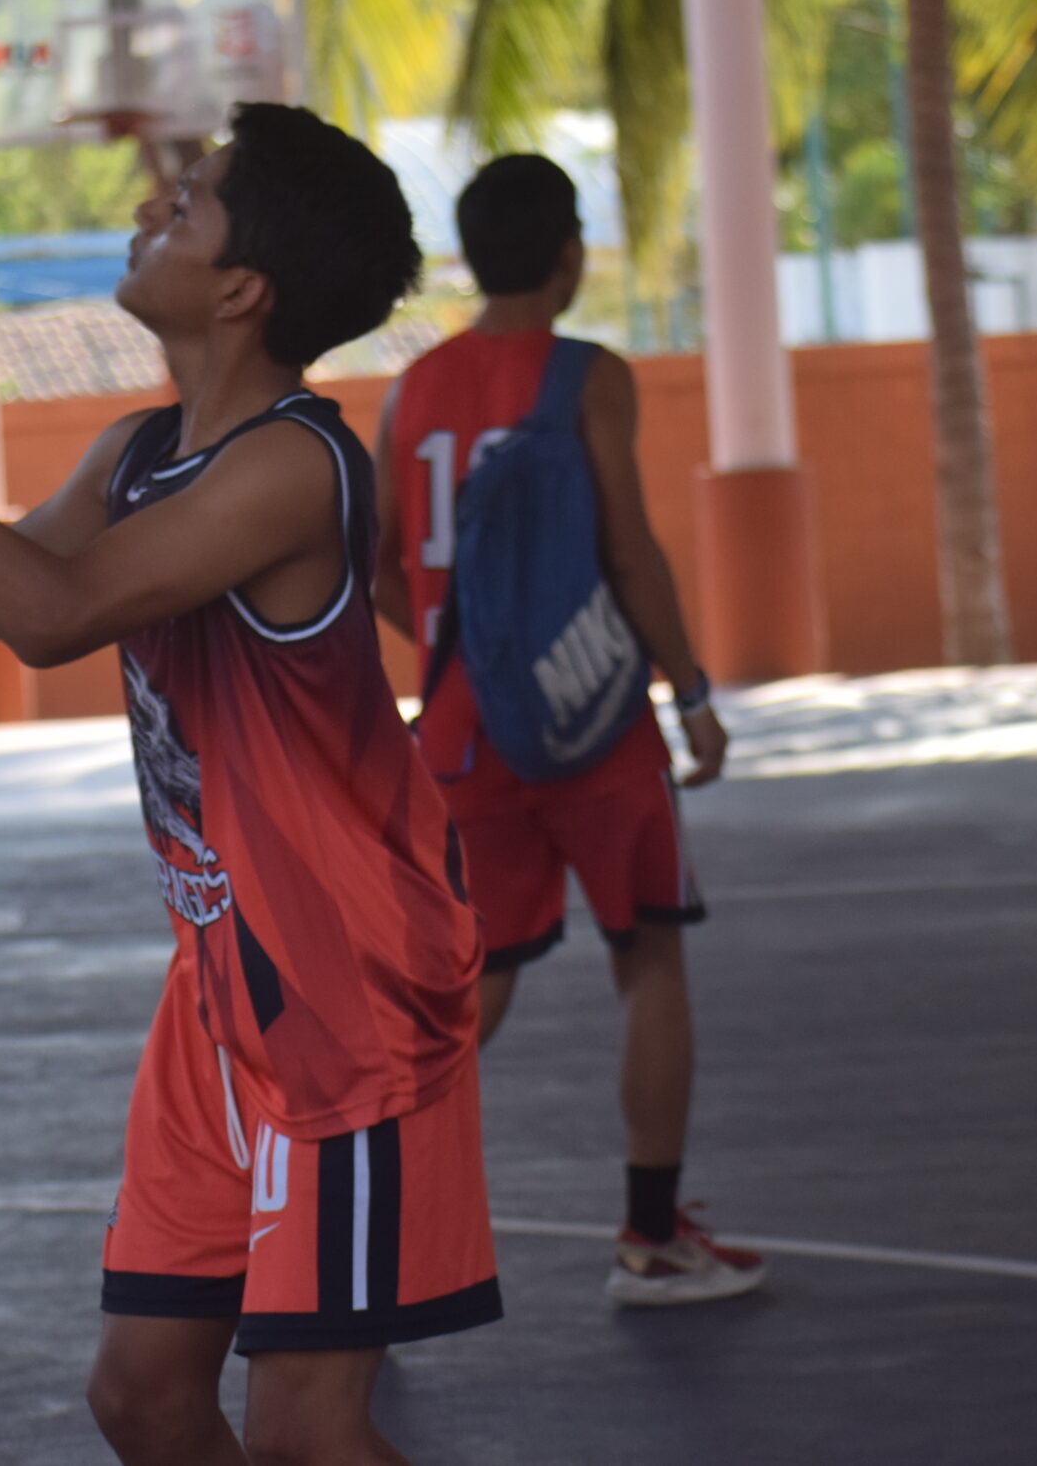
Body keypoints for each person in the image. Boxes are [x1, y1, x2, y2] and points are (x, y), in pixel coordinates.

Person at [0, 103, 498, 1465]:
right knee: (140, 1394)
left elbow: (53, 613)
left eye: (184, 208)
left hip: (345, 994)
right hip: (221, 989)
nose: (149, 213)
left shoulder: (294, 467)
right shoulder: (137, 454)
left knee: (311, 1430)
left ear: (242, 288)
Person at [373, 153, 764, 1308]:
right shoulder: (588, 375)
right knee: (646, 957)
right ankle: (650, 1240)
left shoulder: (415, 387)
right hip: (592, 723)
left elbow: (382, 566)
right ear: (567, 254)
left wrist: (454, 641)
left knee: (469, 984)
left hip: (460, 729)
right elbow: (628, 552)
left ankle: (360, 1236)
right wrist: (687, 692)